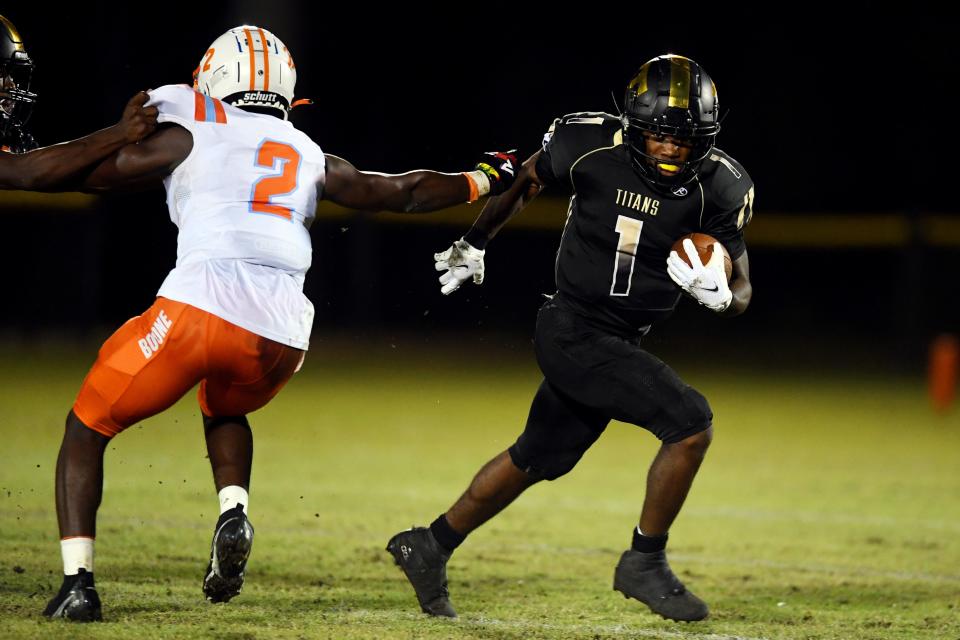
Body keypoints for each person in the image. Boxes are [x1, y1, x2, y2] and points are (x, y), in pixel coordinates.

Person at [37, 25, 518, 622]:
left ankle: (78, 585)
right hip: (282, 335)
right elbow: (400, 193)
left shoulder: (190, 118)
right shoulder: (308, 151)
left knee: (87, 426)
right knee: (224, 405)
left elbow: (96, 172)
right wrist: (486, 176)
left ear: (214, 76)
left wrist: (42, 162)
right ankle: (233, 508)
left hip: (201, 304)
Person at [387, 54, 754, 623]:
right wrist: (477, 240)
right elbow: (526, 179)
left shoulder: (721, 186)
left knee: (537, 456)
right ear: (634, 125)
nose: (670, 149)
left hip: (621, 338)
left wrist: (724, 298)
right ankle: (644, 563)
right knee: (690, 424)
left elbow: (743, 283)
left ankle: (429, 544)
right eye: (658, 135)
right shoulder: (587, 143)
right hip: (571, 327)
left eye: (684, 139)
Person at [0, 14, 157, 188]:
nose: (11, 84)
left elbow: (90, 175)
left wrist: (176, 153)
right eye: (0, 74)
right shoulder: (21, 167)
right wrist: (120, 132)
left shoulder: (12, 147)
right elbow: (28, 171)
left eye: (9, 74)